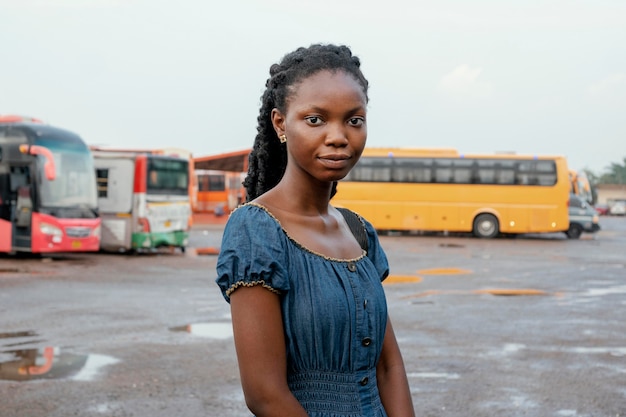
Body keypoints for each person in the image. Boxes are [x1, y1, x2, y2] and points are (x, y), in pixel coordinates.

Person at [216, 44, 415, 417]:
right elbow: (264, 394)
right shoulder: (256, 231)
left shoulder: (358, 231)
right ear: (280, 124)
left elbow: (389, 367)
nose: (338, 136)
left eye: (354, 120)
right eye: (315, 119)